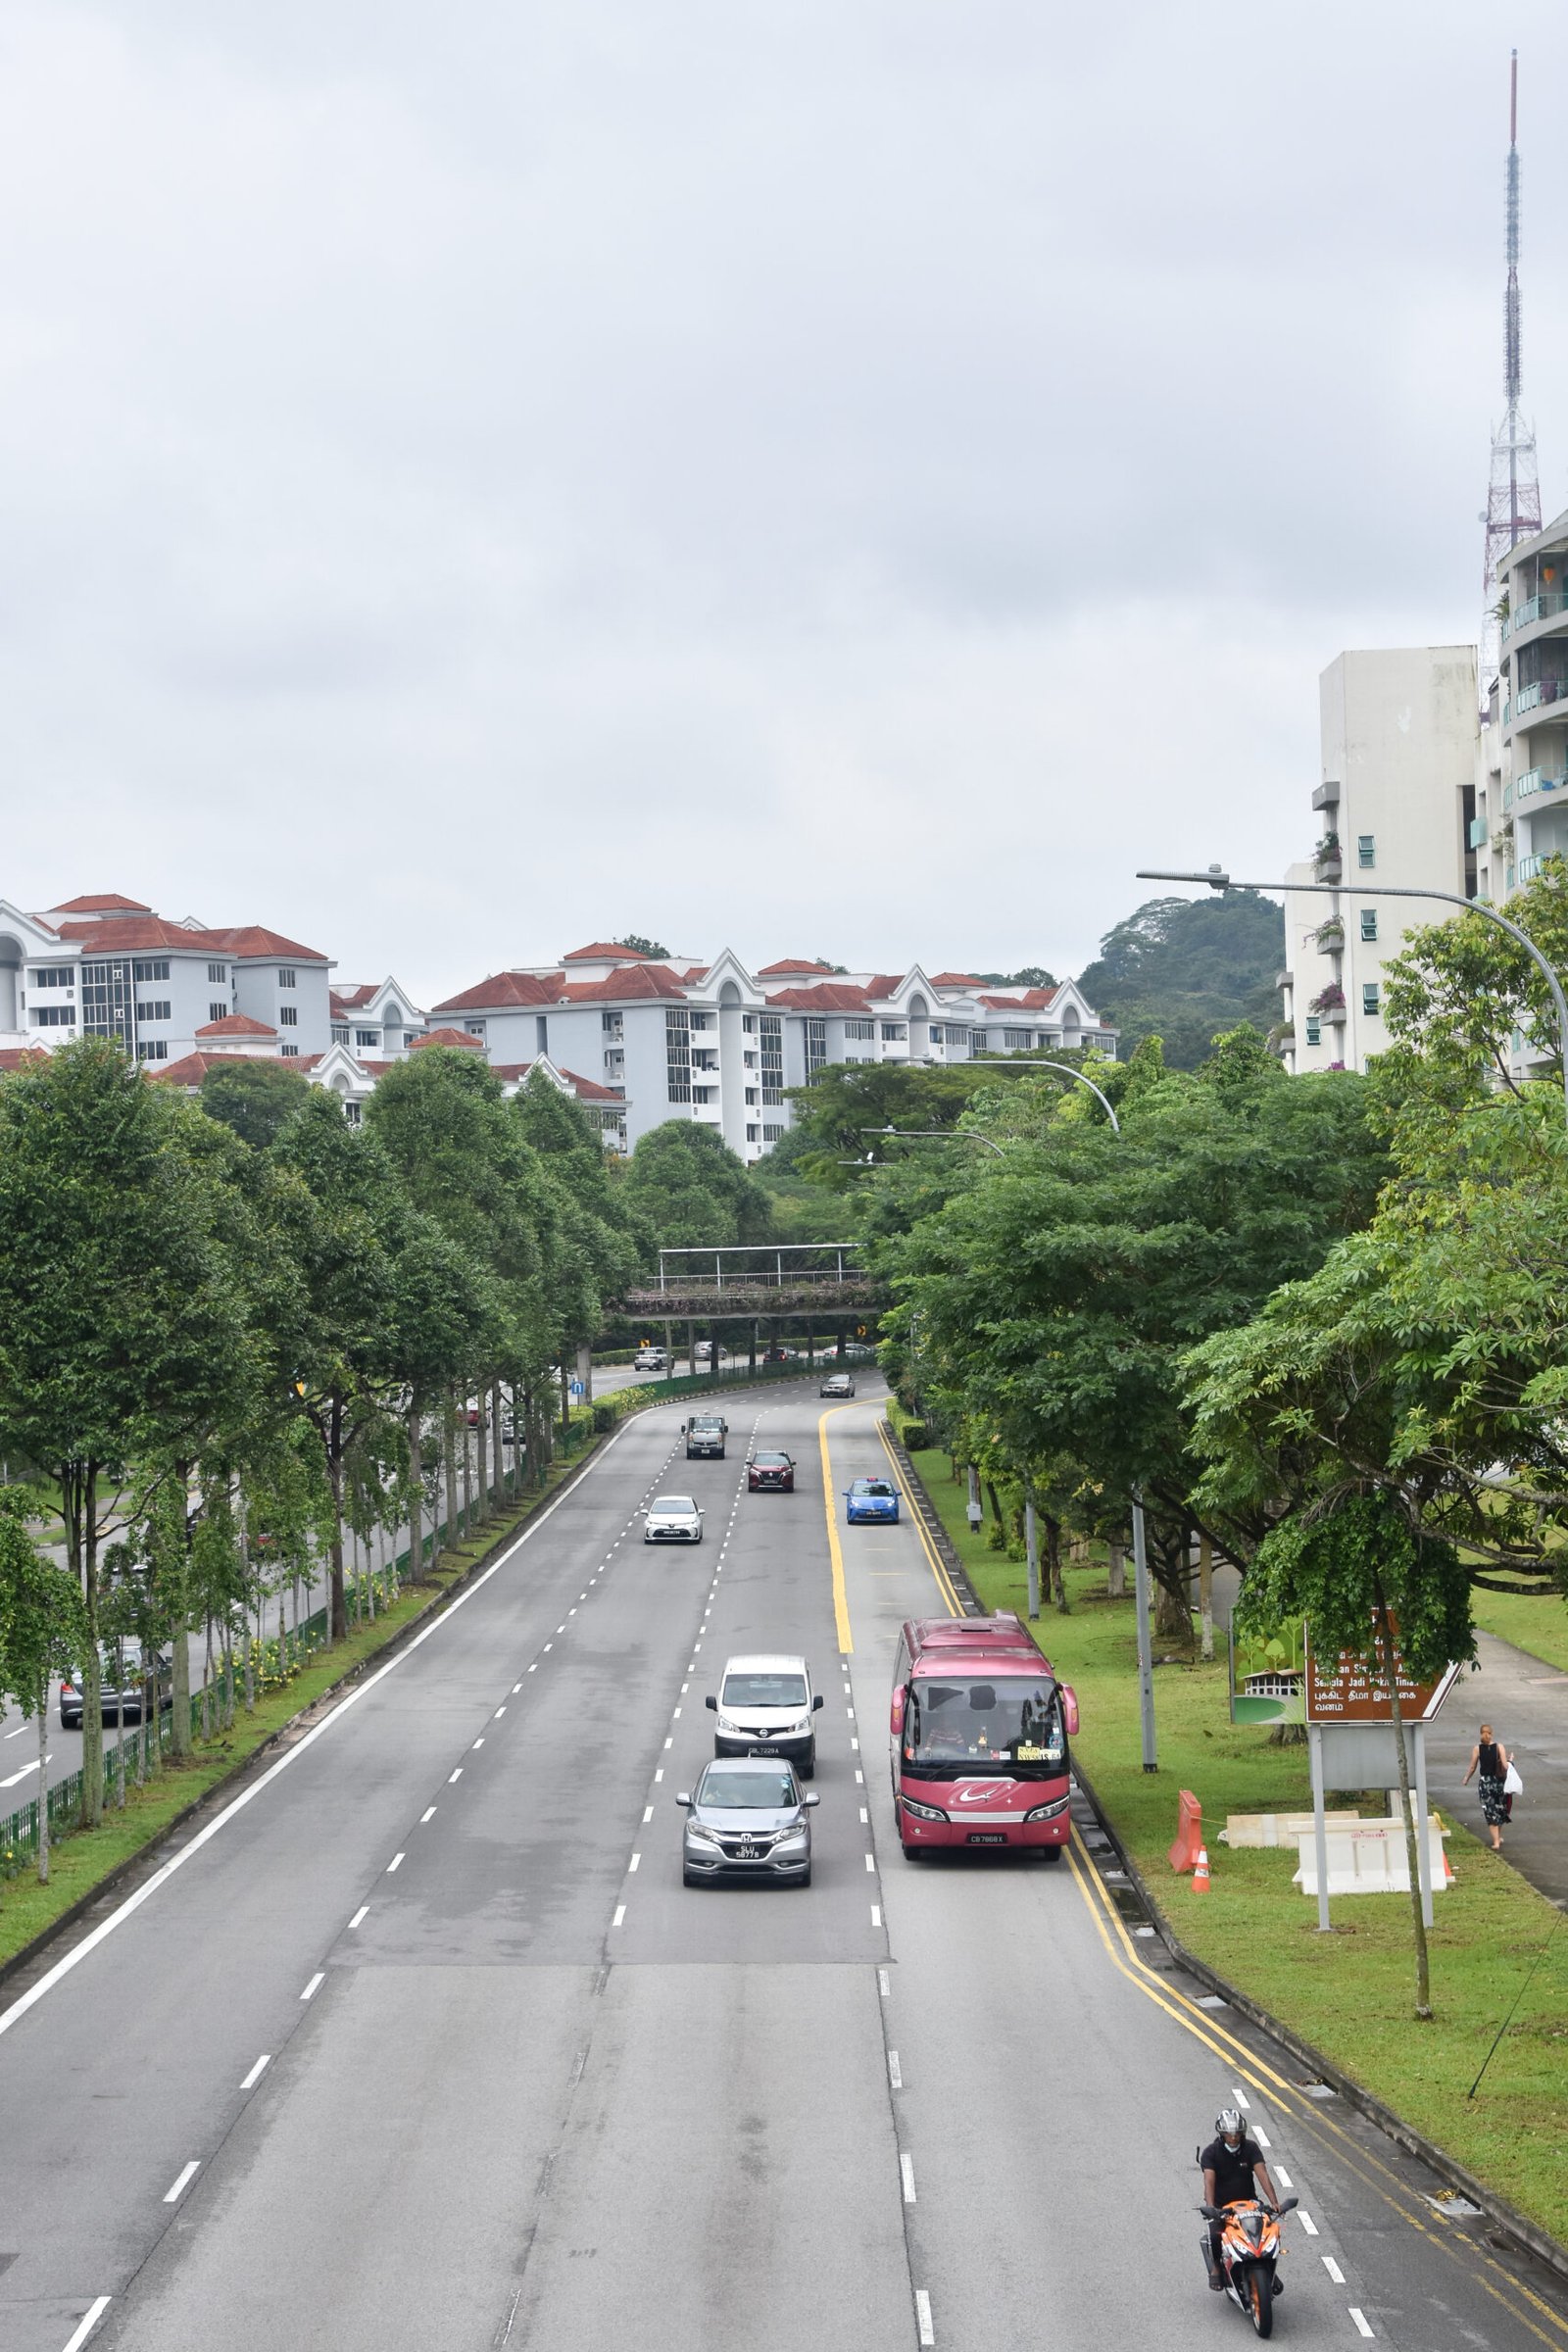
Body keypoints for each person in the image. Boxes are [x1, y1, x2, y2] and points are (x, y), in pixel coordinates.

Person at [1200, 2109, 1280, 2288]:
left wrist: (1274, 2202)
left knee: (1266, 2233)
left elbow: (1263, 2175)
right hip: (1223, 2207)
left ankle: (1269, 2269)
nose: (1234, 2137)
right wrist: (1212, 2209)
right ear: (1222, 2134)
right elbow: (1209, 2183)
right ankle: (1217, 2268)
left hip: (1249, 2205)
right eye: (1229, 2133)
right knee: (1215, 2236)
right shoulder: (1211, 2153)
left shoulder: (1251, 2148)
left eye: (1237, 2133)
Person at [1462, 1722, 1510, 1851]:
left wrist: (1466, 1778)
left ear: (1480, 1734)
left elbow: (1473, 1767)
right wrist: (1511, 1760)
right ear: (1491, 1733)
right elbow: (1505, 1766)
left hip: (1485, 1784)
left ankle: (1496, 1842)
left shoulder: (1477, 1749)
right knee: (1500, 1810)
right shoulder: (1500, 1747)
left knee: (1490, 1812)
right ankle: (1498, 1837)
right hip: (1499, 1783)